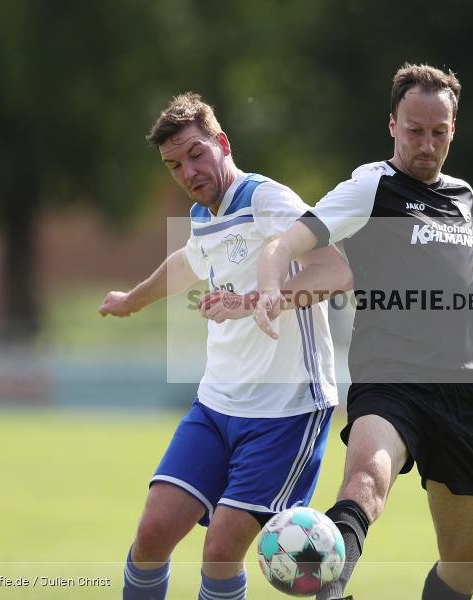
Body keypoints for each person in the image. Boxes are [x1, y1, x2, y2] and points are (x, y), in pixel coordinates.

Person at [253, 64, 473, 600]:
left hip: (465, 391)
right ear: (392, 125)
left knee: (467, 563)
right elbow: (287, 243)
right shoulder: (371, 185)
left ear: (453, 131)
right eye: (414, 130)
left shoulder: (463, 195)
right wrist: (267, 287)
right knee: (364, 484)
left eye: (438, 132)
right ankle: (327, 589)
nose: (426, 144)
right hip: (391, 381)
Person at [99, 92, 352, 600]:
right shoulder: (202, 215)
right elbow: (186, 265)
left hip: (286, 409)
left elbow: (339, 270)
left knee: (220, 551)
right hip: (217, 404)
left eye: (195, 153)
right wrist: (132, 300)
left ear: (222, 143)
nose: (188, 171)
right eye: (174, 165)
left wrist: (265, 300)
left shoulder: (266, 199)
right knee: (151, 535)